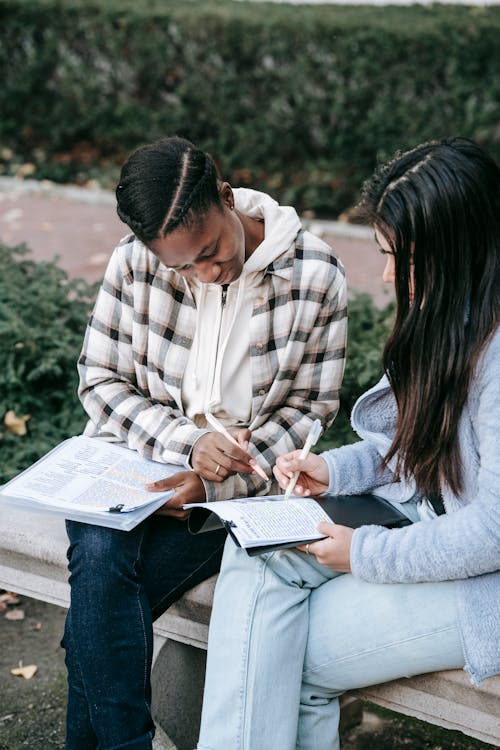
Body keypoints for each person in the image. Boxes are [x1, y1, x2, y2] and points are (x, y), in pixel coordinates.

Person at [197, 136, 500, 750]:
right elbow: (412, 445)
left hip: (482, 576)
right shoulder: (448, 312)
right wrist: (331, 471)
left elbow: (494, 530)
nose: (388, 275)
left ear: (460, 247)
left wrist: (363, 553)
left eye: (402, 256)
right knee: (258, 553)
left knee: (287, 658)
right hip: (419, 520)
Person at [62, 135, 347, 749]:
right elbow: (100, 377)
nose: (206, 274)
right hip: (132, 469)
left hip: (234, 500)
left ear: (226, 195)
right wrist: (184, 444)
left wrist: (218, 479)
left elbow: (311, 407)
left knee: (94, 612)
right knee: (101, 558)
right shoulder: (133, 260)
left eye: (213, 252)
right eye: (182, 266)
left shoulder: (315, 273)